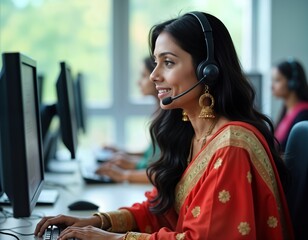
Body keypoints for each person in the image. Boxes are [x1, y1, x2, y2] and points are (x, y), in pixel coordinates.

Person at [35, 11, 294, 239]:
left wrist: (111, 239)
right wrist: (96, 221)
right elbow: (162, 210)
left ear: (208, 70)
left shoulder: (231, 147)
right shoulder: (192, 136)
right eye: (156, 62)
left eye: (168, 62)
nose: (154, 75)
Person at [95, 56, 160, 183]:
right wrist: (124, 154)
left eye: (143, 75)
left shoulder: (170, 116)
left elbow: (164, 170)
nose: (138, 82)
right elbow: (151, 155)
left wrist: (125, 174)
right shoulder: (161, 112)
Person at [272, 59, 308, 152]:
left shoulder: (304, 114)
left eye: (277, 80)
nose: (272, 86)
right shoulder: (287, 111)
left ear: (292, 83)